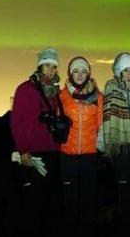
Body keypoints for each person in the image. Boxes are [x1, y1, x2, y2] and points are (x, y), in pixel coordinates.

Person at [9, 47, 64, 234]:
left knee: (50, 200)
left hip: (53, 151)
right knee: (32, 202)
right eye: (47, 65)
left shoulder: (57, 91)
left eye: (54, 66)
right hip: (32, 153)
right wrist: (23, 150)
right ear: (40, 66)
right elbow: (16, 121)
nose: (51, 70)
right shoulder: (25, 89)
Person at [98, 51, 130, 230]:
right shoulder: (112, 89)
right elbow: (106, 119)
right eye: (125, 70)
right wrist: (103, 145)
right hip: (121, 145)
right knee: (124, 186)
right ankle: (124, 223)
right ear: (119, 72)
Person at [58, 55, 104, 229]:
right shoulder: (62, 96)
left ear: (88, 74)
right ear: (70, 73)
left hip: (90, 156)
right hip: (67, 155)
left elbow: (100, 124)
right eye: (75, 71)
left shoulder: (98, 97)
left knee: (88, 198)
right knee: (69, 198)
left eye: (83, 71)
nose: (79, 74)